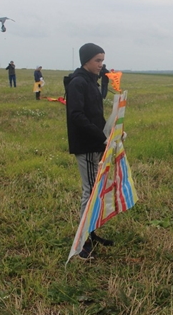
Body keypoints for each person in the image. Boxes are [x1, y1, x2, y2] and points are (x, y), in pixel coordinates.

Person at [66, 43, 114, 260]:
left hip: (96, 143)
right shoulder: (77, 83)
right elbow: (76, 115)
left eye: (102, 60)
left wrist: (109, 133)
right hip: (86, 145)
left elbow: (96, 110)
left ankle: (90, 231)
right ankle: (82, 242)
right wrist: (101, 136)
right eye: (98, 61)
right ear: (85, 60)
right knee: (90, 192)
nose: (101, 65)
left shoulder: (90, 82)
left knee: (94, 190)